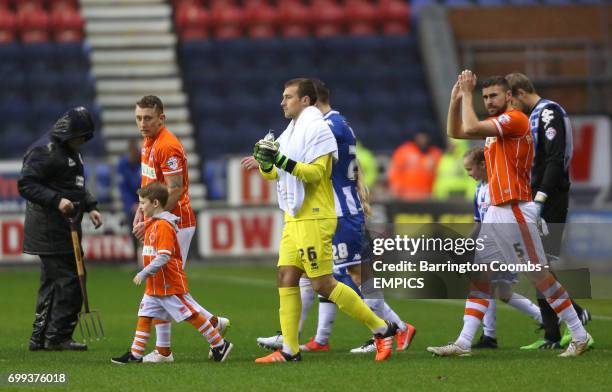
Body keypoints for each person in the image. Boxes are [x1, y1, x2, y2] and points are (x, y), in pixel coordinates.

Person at [427, 71, 592, 357]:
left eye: (494, 96)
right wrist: (456, 100)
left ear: (510, 97)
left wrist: (467, 94)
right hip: (496, 210)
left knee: (539, 276)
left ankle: (579, 334)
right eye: (485, 97)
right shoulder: (495, 127)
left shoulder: (515, 120)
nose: (489, 101)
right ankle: (464, 342)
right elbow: (456, 131)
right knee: (480, 276)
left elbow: (471, 126)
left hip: (515, 209)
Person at [252, 79, 416, 355]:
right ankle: (293, 348)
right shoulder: (295, 129)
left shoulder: (324, 127)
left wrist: (278, 161)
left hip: (323, 213)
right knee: (289, 276)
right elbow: (277, 170)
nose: (282, 102)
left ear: (306, 100)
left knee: (330, 280)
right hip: (296, 214)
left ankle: (386, 327)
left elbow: (316, 172)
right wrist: (265, 163)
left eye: (288, 97)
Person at [131, 95, 228, 363]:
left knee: (167, 287)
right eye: (139, 117)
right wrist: (142, 211)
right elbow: (151, 186)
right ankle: (180, 341)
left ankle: (175, 345)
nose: (142, 123)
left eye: (148, 118)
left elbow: (175, 189)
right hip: (160, 220)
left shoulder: (167, 146)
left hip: (176, 223)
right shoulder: (148, 142)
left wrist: (152, 220)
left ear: (161, 118)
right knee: (161, 286)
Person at [505, 72, 591, 350]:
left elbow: (555, 158)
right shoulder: (533, 116)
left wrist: (540, 197)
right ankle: (553, 333)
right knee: (535, 264)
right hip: (536, 196)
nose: (509, 107)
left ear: (518, 93)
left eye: (509, 99)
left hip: (550, 197)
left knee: (539, 264)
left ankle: (574, 316)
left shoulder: (548, 113)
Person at [111, 183, 233, 364]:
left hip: (168, 283)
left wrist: (143, 273)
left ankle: (219, 344)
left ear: (155, 203)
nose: (140, 207)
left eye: (143, 203)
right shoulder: (152, 224)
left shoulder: (164, 226)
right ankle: (135, 354)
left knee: (190, 315)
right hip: (155, 284)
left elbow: (164, 256)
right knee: (144, 315)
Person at [19, 106, 103, 351]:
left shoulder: (70, 151)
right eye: (81, 136)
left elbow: (74, 186)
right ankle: (56, 337)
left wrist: (90, 206)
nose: (83, 141)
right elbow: (26, 184)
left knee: (55, 283)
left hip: (66, 227)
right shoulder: (43, 150)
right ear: (69, 132)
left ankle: (42, 338)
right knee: (69, 282)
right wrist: (57, 201)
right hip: (48, 228)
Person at [462, 147, 543, 349]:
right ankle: (543, 318)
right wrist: (468, 244)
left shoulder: (498, 188)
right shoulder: (479, 190)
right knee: (502, 292)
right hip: (490, 244)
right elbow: (479, 223)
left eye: (470, 169)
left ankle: (486, 337)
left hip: (503, 244)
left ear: (483, 165)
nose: (469, 174)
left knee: (486, 287)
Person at [387, 131, 442, 200]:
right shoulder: (404, 151)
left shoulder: (435, 154)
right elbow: (394, 171)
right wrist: (396, 188)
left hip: (427, 196)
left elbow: (440, 175)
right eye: (420, 137)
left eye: (424, 137)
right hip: (406, 196)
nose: (422, 140)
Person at [117, 137, 142, 266]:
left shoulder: (143, 162)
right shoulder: (122, 165)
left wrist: (143, 202)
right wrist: (131, 204)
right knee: (133, 229)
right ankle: (135, 258)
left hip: (144, 201)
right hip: (131, 204)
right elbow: (123, 188)